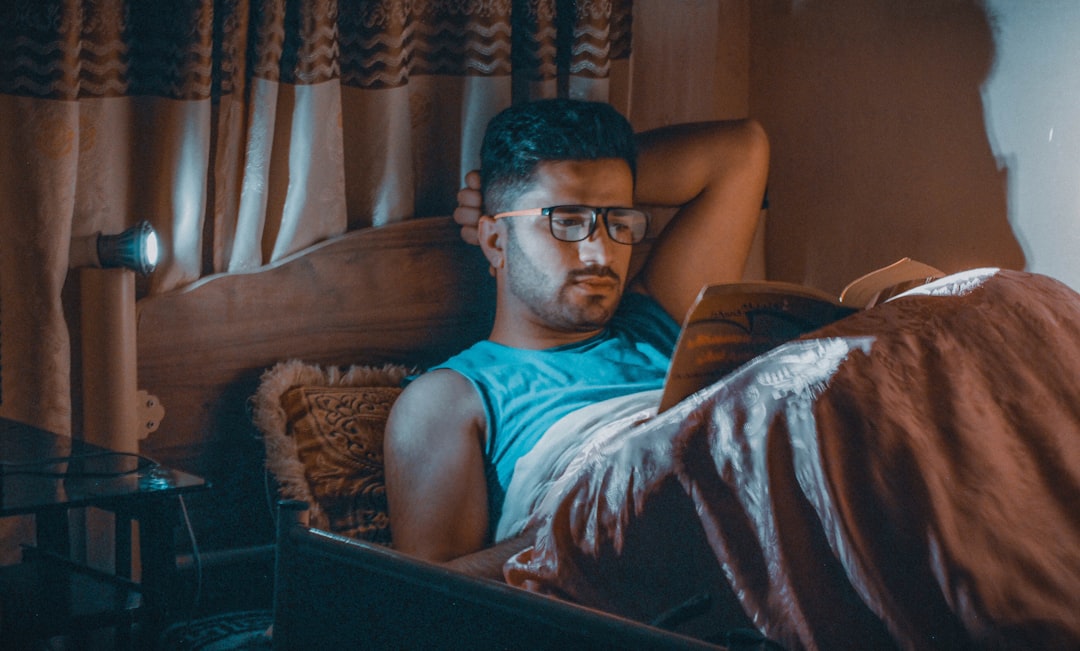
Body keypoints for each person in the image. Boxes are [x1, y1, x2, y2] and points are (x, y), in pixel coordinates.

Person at [384, 98, 769, 578]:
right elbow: (426, 600)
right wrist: (588, 527)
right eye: (566, 221)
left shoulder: (661, 319)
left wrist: (553, 190)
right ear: (495, 241)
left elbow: (741, 150)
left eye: (617, 221)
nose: (599, 253)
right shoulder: (448, 398)